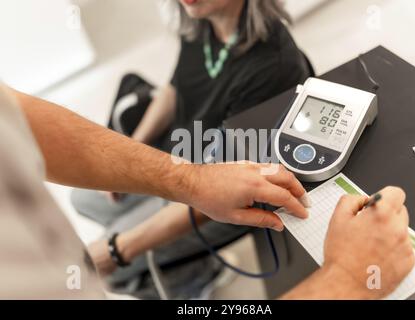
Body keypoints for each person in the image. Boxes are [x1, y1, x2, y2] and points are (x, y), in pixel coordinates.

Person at [0, 85, 415, 299]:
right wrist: (346, 280)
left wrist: (191, 180)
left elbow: (19, 118)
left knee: (112, 248)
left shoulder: (270, 66)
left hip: (201, 179)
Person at [71, 0, 314, 296]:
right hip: (187, 155)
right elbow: (175, 87)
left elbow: (220, 190)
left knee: (114, 273)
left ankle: (201, 276)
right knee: (82, 197)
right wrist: (130, 149)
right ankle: (180, 257)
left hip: (224, 196)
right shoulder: (201, 23)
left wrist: (117, 249)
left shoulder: (272, 67)